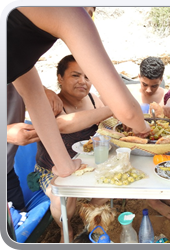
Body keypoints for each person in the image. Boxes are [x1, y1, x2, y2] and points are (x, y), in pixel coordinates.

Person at [7, 7, 151, 180]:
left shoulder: (18, 44)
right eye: (88, 11)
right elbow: (126, 110)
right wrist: (143, 128)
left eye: (92, 13)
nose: (88, 17)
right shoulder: (69, 11)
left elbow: (34, 97)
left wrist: (64, 165)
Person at [34, 55, 113, 242]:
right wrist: (114, 108)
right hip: (53, 168)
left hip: (88, 165)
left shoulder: (94, 100)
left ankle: (89, 218)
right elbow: (62, 125)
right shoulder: (52, 103)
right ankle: (66, 229)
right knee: (59, 197)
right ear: (60, 78)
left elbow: (107, 126)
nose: (82, 82)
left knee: (108, 186)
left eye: (87, 77)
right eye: (75, 75)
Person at [7, 84, 63, 212]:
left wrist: (44, 90)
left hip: (7, 170)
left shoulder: (15, 68)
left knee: (20, 216)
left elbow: (23, 76)